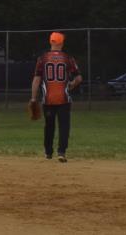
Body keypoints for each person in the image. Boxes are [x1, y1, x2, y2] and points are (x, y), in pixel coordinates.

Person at [30, 32, 82, 162]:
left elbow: (36, 79)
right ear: (62, 43)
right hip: (64, 99)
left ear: (51, 42)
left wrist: (33, 98)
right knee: (64, 126)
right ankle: (61, 152)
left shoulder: (42, 58)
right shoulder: (68, 58)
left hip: (48, 99)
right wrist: (71, 84)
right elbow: (79, 78)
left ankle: (48, 152)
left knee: (49, 126)